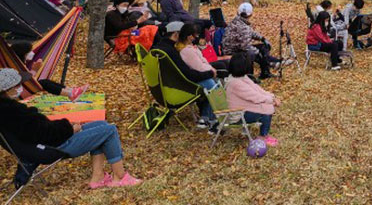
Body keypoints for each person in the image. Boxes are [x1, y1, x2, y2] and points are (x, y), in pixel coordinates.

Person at [0, 68, 141, 188]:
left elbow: (37, 131)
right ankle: (120, 177)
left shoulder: (7, 111)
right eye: (19, 84)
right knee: (109, 131)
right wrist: (69, 129)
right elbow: (44, 133)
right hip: (52, 148)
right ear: (9, 89)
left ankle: (97, 178)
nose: (22, 87)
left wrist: (66, 127)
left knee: (101, 125)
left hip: (41, 145)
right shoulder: (15, 113)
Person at [151, 22, 217, 125]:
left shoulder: (157, 49)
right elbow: (188, 75)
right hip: (176, 89)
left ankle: (207, 115)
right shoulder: (170, 52)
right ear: (176, 34)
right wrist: (209, 73)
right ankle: (209, 117)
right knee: (209, 83)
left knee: (207, 81)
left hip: (159, 90)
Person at [224, 54, 279, 146]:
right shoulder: (235, 83)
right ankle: (263, 136)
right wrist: (272, 101)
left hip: (243, 109)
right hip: (237, 115)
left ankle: (263, 134)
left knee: (267, 105)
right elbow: (255, 97)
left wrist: (272, 96)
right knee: (267, 108)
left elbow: (256, 89)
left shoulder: (240, 77)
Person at [10, 42, 89, 102]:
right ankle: (71, 93)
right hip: (16, 93)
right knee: (43, 83)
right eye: (29, 51)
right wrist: (34, 70)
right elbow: (26, 81)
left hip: (22, 89)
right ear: (23, 53)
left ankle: (71, 91)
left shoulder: (20, 63)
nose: (32, 53)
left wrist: (34, 70)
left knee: (44, 81)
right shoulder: (14, 66)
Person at [222, 3, 277, 79]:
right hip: (232, 51)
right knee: (252, 53)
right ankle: (251, 76)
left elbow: (251, 33)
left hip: (234, 47)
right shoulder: (243, 27)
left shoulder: (237, 20)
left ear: (238, 12)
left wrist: (262, 38)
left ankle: (266, 71)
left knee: (263, 47)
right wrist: (259, 54)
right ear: (250, 14)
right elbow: (246, 47)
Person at [306, 1, 342, 70]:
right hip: (314, 45)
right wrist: (330, 42)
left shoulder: (322, 26)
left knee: (339, 43)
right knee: (333, 45)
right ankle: (334, 65)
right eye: (326, 20)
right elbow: (321, 38)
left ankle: (336, 59)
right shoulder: (316, 27)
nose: (327, 22)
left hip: (320, 43)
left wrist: (330, 40)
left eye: (328, 20)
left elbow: (325, 36)